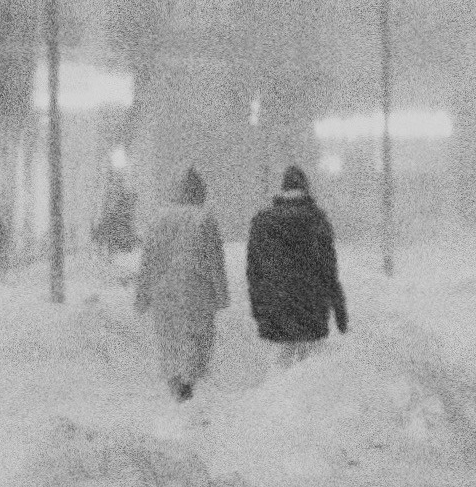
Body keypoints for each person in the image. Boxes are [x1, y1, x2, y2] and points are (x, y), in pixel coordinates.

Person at [135, 167, 228, 400]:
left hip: (164, 291)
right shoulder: (204, 220)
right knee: (197, 338)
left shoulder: (158, 220)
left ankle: (175, 381)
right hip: (197, 289)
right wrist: (222, 294)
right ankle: (189, 384)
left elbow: (148, 261)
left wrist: (142, 296)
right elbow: (214, 261)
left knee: (170, 338)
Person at [245, 164, 348, 365]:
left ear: (283, 190)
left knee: (283, 358)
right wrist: (340, 313)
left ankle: (277, 393)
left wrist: (259, 309)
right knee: (308, 364)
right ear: (306, 189)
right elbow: (329, 271)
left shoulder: (262, 222)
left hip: (276, 305)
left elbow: (254, 272)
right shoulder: (317, 220)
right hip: (311, 305)